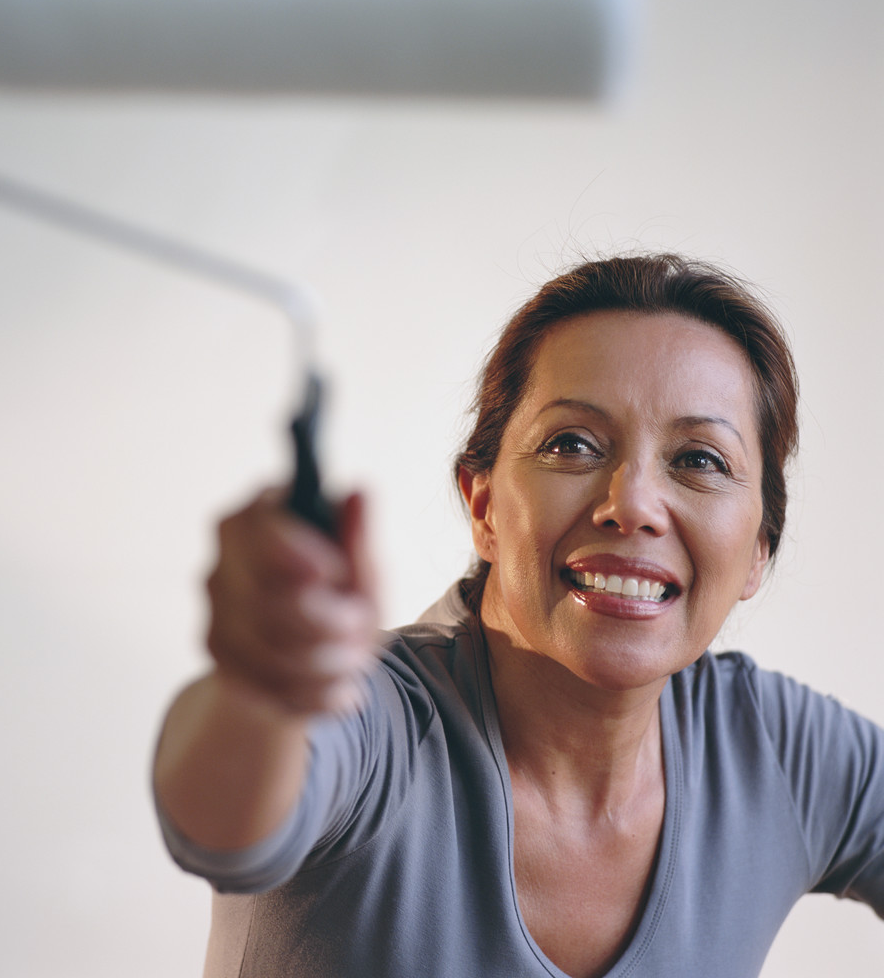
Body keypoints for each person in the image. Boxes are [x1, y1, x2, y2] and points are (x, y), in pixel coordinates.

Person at [153, 253, 884, 978]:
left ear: (758, 550)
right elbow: (225, 826)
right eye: (572, 445)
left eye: (698, 460)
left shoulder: (777, 754)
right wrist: (263, 690)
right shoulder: (381, 720)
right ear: (484, 508)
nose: (630, 503)